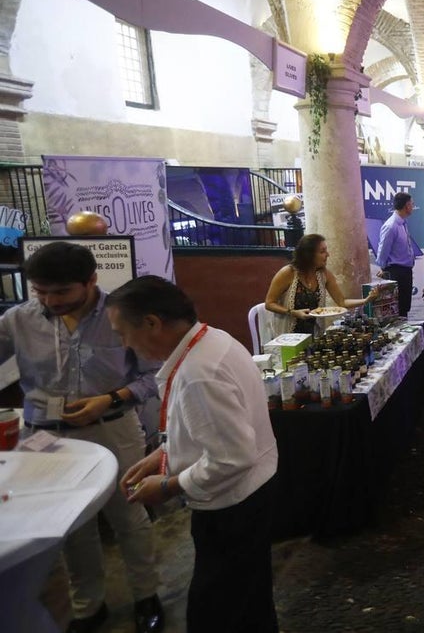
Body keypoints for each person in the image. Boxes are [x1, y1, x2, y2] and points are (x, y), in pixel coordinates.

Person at [0, 242, 164, 633]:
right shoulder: (17, 320)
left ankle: (147, 595)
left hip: (113, 427)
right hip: (46, 437)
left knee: (130, 514)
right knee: (71, 525)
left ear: (91, 281)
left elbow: (152, 375)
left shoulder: (122, 315)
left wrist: (109, 398)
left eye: (60, 292)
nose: (49, 300)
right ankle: (88, 606)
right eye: (40, 291)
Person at [112, 276, 279, 633]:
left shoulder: (198, 373)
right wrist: (163, 453)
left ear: (152, 323)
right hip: (250, 496)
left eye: (122, 333)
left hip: (231, 507)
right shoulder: (212, 339)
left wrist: (170, 485)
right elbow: (209, 429)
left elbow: (231, 458)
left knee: (216, 613)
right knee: (249, 600)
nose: (124, 344)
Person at [265, 234, 377, 336]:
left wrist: (366, 300)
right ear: (309, 255)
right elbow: (269, 304)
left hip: (313, 334)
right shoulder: (288, 273)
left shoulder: (324, 275)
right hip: (287, 336)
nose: (327, 255)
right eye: (322, 251)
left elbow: (342, 302)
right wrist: (292, 312)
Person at [374, 192, 422, 317]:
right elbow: (383, 251)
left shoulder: (402, 223)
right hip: (395, 273)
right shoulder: (391, 226)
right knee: (396, 309)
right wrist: (384, 270)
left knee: (404, 307)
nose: (413, 207)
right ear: (406, 206)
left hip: (405, 272)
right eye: (412, 204)